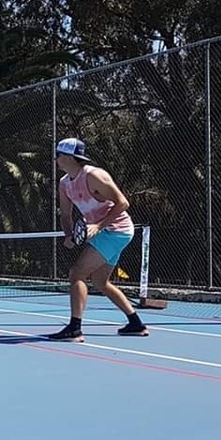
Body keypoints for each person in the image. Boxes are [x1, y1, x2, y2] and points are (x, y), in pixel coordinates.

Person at [49, 138, 148, 341]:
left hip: (117, 231)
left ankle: (74, 329)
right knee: (100, 281)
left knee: (77, 274)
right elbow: (65, 215)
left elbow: (123, 203)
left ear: (69, 157)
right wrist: (69, 236)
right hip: (107, 233)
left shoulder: (94, 176)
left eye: (58, 155)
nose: (55, 159)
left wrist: (99, 226)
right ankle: (136, 324)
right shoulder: (64, 184)